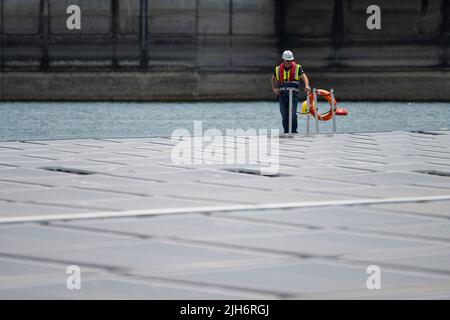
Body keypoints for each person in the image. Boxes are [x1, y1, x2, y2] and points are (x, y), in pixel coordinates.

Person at [271, 50, 311, 134]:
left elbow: (304, 77)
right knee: (284, 115)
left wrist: (306, 85)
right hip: (282, 96)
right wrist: (274, 88)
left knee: (292, 115)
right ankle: (286, 132)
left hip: (293, 96)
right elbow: (273, 78)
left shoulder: (297, 68)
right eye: (288, 61)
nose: (290, 62)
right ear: (284, 60)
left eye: (291, 60)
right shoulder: (278, 69)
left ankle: (293, 132)